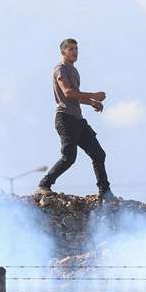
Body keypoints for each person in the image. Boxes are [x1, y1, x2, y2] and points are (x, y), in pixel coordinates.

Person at [36, 38, 114, 200]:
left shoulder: (74, 70)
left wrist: (91, 102)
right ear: (63, 52)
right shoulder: (60, 69)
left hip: (78, 120)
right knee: (69, 157)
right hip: (65, 119)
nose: (74, 52)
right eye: (70, 49)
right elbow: (68, 93)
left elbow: (75, 97)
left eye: (76, 49)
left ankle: (105, 192)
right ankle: (44, 184)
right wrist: (93, 95)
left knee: (98, 154)